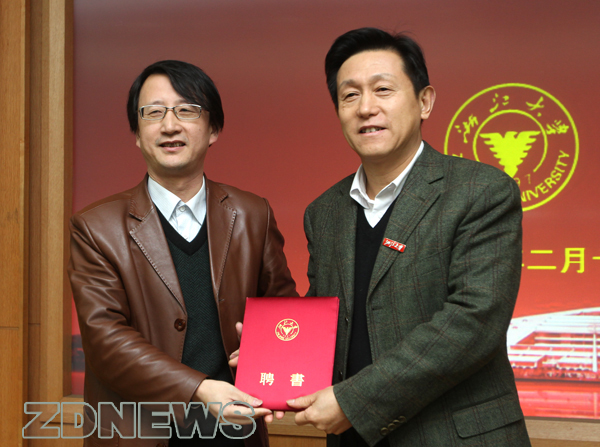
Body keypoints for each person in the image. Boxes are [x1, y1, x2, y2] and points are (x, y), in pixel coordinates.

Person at [287, 28, 531, 446]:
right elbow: (331, 317)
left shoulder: (481, 191)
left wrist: (354, 401)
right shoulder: (323, 212)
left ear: (424, 102)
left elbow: (474, 321)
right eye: (349, 95)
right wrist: (277, 347)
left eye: (383, 89)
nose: (366, 108)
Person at [68, 60, 297, 447]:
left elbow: (285, 313)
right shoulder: (95, 227)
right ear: (137, 134)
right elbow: (105, 341)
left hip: (235, 432)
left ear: (214, 129)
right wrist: (200, 389)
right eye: (153, 112)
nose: (169, 125)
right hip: (140, 435)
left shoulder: (253, 214)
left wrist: (267, 351)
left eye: (186, 110)